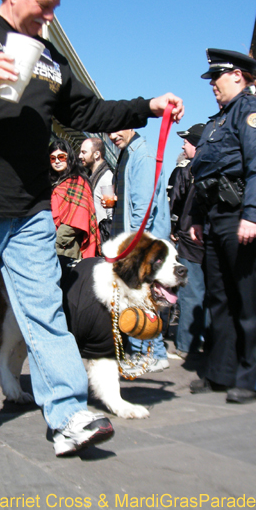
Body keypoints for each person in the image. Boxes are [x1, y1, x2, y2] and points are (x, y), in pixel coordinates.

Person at [0, 0, 183, 456]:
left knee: (46, 312)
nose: (51, 16)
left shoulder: (49, 56)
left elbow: (89, 111)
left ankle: (68, 415)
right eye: (45, 4)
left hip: (31, 209)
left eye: (56, 7)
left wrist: (147, 106)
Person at [187, 49, 256, 404]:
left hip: (243, 212)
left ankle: (254, 376)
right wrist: (197, 218)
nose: (212, 84)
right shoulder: (218, 120)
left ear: (239, 76)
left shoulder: (255, 111)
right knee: (220, 297)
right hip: (217, 216)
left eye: (217, 77)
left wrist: (254, 214)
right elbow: (205, 174)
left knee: (250, 299)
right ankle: (221, 372)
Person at [107, 128, 172, 371]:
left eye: (116, 130)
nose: (112, 136)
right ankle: (142, 353)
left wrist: (133, 245)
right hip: (134, 241)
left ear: (131, 126)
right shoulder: (127, 154)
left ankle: (153, 354)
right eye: (108, 132)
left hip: (140, 243)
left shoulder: (142, 155)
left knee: (141, 297)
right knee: (134, 298)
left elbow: (144, 208)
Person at [169, 123, 208, 357]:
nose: (183, 146)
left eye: (187, 142)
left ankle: (186, 344)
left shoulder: (191, 170)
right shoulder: (209, 168)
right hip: (204, 240)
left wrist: (175, 228)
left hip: (190, 240)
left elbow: (176, 201)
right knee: (207, 292)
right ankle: (206, 341)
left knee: (191, 292)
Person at [49, 139, 101, 264]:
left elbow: (79, 218)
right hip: (51, 241)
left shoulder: (77, 181)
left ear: (69, 157)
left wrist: (56, 240)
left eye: (61, 157)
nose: (57, 161)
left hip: (66, 246)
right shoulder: (54, 182)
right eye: (52, 158)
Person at [78, 137, 113, 241]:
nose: (80, 156)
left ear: (97, 154)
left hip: (101, 242)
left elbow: (110, 214)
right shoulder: (90, 177)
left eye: (84, 152)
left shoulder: (106, 178)